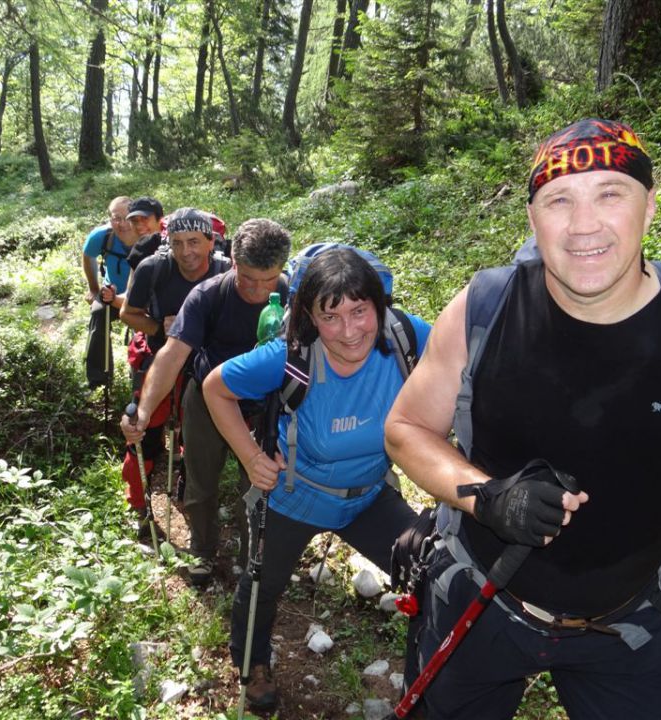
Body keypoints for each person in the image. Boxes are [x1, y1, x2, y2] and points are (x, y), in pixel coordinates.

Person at [383, 118, 661, 720]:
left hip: (625, 624)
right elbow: (405, 429)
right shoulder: (484, 308)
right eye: (560, 200)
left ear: (650, 207)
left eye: (611, 193)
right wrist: (487, 497)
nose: (584, 225)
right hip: (483, 601)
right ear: (532, 218)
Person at [201, 247, 431, 712]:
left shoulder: (409, 337)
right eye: (331, 317)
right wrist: (249, 456)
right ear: (309, 317)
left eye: (359, 311)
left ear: (379, 306)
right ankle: (253, 663)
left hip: (369, 496)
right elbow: (215, 387)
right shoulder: (289, 357)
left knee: (432, 574)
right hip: (295, 495)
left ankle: (425, 676)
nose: (349, 332)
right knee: (263, 581)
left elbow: (469, 369)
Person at [120, 218, 291, 587]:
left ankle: (252, 555)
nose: (260, 291)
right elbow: (172, 354)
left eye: (269, 280)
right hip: (207, 396)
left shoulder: (293, 297)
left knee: (260, 479)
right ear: (232, 261)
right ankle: (202, 549)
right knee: (200, 477)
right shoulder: (208, 296)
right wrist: (146, 411)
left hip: (266, 400)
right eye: (248, 278)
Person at [118, 208, 231, 541]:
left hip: (203, 364)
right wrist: (158, 327)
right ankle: (139, 506)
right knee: (146, 432)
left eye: (195, 242)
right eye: (178, 243)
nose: (187, 252)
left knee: (193, 434)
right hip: (157, 357)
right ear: (168, 243)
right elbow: (128, 313)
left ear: (211, 242)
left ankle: (186, 487)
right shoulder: (154, 269)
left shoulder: (225, 272)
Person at [81, 196, 136, 388]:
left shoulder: (146, 235)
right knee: (98, 314)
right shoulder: (102, 236)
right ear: (110, 219)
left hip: (138, 297)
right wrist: (94, 289)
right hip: (109, 294)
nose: (122, 224)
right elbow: (87, 257)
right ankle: (98, 379)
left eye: (128, 217)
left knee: (144, 325)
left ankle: (139, 374)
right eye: (116, 218)